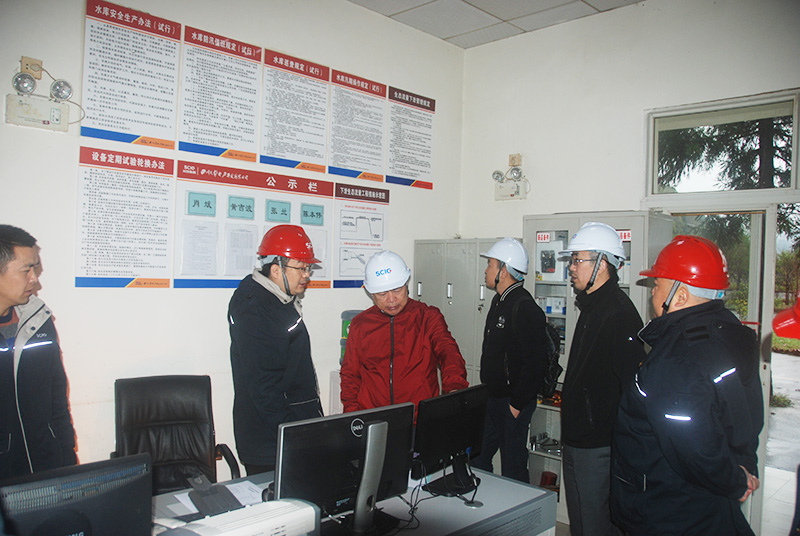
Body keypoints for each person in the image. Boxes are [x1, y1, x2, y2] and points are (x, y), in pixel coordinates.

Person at [612, 235, 764, 535]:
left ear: (679, 296)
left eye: (658, 285)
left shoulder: (679, 357)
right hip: (707, 501)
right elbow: (744, 418)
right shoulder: (728, 335)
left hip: (670, 507)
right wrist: (743, 469)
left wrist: (735, 481)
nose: (653, 292)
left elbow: (693, 446)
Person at [558, 222, 646, 536]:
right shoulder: (591, 306)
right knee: (581, 523)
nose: (571, 268)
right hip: (577, 437)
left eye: (577, 260)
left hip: (598, 444)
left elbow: (633, 388)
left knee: (595, 524)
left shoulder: (619, 314)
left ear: (602, 264)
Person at [228, 225, 323, 476]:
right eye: (301, 268)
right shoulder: (255, 310)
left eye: (308, 268)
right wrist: (294, 437)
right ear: (276, 269)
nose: (306, 275)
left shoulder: (278, 298)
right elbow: (264, 388)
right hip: (270, 441)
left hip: (290, 428)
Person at [340, 250, 468, 415]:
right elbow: (350, 374)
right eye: (382, 294)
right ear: (371, 294)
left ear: (406, 285)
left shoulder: (427, 317)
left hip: (418, 417)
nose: (391, 299)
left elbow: (449, 353)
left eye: (397, 290)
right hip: (374, 419)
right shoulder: (361, 324)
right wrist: (352, 414)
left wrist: (455, 388)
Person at [0, 225, 77, 480]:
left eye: (36, 269)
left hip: (47, 465)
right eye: (27, 270)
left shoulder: (38, 321)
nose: (35, 279)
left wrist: (67, 456)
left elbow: (57, 398)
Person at [471, 238, 548, 483]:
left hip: (512, 402)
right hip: (492, 398)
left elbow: (536, 362)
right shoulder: (499, 301)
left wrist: (516, 404)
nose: (486, 270)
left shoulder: (524, 307)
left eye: (490, 265)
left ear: (503, 271)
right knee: (477, 458)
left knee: (513, 467)